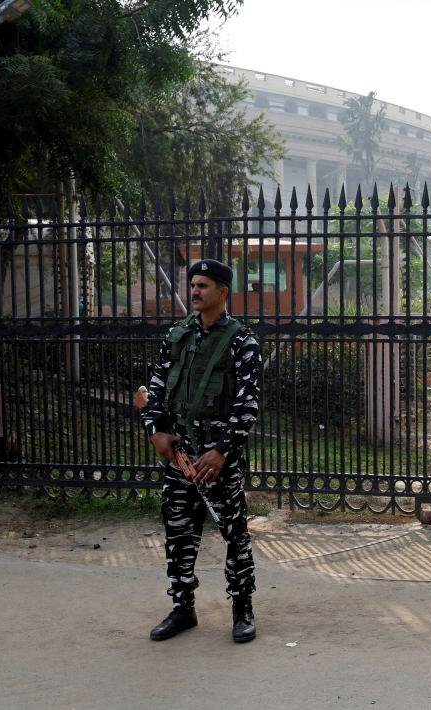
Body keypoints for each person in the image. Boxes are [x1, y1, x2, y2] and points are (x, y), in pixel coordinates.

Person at [141, 258, 262, 643]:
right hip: (180, 457)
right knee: (178, 533)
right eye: (193, 285)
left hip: (217, 460)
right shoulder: (177, 335)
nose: (194, 291)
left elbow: (248, 405)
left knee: (233, 532)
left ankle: (242, 608)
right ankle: (182, 608)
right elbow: (154, 390)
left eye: (204, 286)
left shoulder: (243, 342)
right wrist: (156, 433)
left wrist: (223, 451)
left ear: (223, 292)